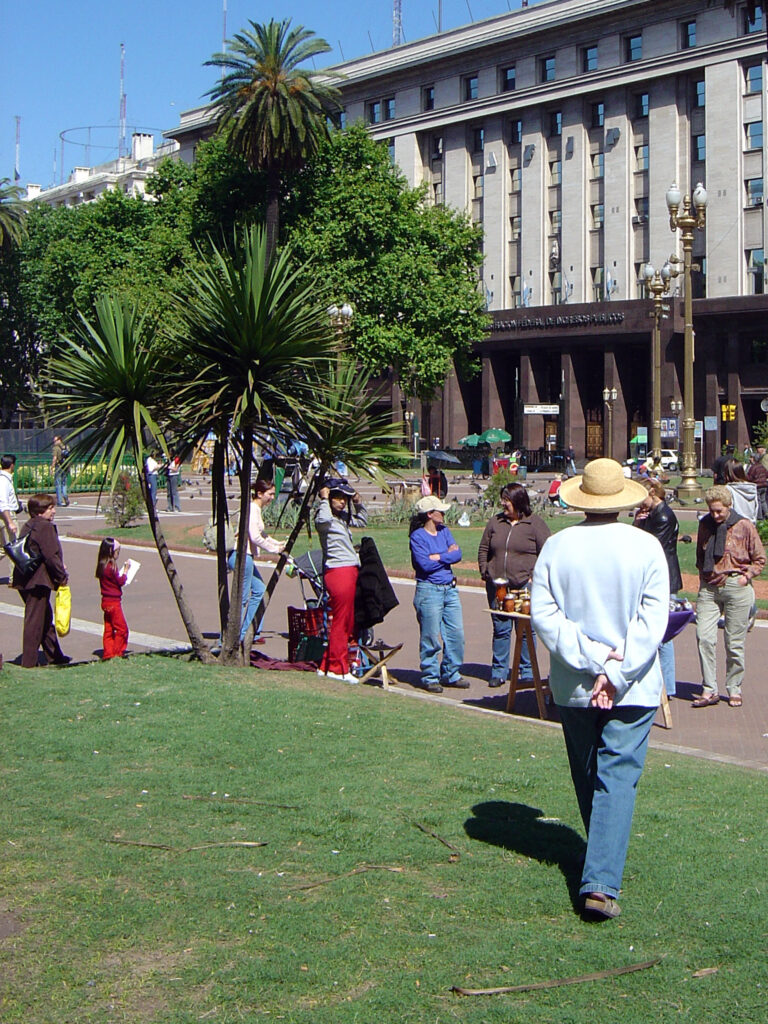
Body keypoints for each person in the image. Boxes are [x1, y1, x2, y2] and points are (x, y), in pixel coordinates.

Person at [531, 459, 669, 920]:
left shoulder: (558, 546)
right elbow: (652, 621)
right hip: (633, 684)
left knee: (591, 773)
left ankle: (600, 872)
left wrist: (594, 663)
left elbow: (546, 617)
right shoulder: (645, 546)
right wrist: (615, 669)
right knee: (614, 777)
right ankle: (602, 875)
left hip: (576, 682)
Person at [693, 485, 765, 709]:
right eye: (711, 510)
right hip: (710, 587)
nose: (715, 515)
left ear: (729, 506)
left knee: (734, 642)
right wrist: (704, 574)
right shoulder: (705, 524)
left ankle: (734, 687)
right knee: (704, 636)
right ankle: (709, 688)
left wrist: (747, 576)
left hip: (736, 585)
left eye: (719, 511)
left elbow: (759, 558)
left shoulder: (744, 525)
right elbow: (699, 555)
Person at [478, 483, 550, 689]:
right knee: (501, 628)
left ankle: (526, 672)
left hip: (524, 585)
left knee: (525, 630)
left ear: (518, 501)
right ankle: (498, 671)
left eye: (506, 500)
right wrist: (485, 570)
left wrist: (534, 576)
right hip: (498, 586)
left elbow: (548, 551)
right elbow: (484, 548)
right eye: (502, 499)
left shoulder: (534, 524)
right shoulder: (496, 522)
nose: (503, 503)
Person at [409, 494, 467, 693]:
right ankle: (430, 676)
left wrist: (439, 557)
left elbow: (457, 554)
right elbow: (424, 564)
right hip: (429, 590)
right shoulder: (418, 537)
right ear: (429, 514)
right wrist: (447, 555)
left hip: (449, 589)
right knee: (431, 636)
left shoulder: (444, 531)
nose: (443, 514)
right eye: (439, 511)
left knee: (456, 634)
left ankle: (451, 673)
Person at [633, 479, 683, 696]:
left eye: (641, 497)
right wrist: (637, 523)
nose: (638, 502)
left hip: (664, 578)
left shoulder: (663, 516)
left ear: (652, 492)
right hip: (654, 576)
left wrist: (639, 527)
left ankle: (668, 687)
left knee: (663, 635)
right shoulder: (652, 515)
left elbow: (649, 547)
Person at [315, 478, 368, 683]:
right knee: (340, 622)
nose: (342, 502)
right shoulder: (324, 516)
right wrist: (324, 498)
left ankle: (326, 664)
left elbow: (362, 521)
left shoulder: (342, 518)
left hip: (349, 568)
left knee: (346, 620)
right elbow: (322, 521)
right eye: (338, 498)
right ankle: (338, 668)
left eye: (344, 498)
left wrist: (358, 503)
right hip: (338, 569)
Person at [12, 493, 70, 668]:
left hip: (25, 578)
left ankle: (55, 655)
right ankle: (29, 662)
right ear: (39, 511)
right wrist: (62, 576)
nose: (54, 511)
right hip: (37, 581)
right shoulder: (44, 527)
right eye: (50, 508)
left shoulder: (30, 524)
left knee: (44, 617)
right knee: (35, 621)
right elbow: (51, 555)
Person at [229, 479, 285, 647]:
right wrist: (274, 549)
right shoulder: (252, 509)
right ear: (259, 494)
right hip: (241, 556)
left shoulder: (256, 509)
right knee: (242, 597)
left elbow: (262, 535)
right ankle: (233, 636)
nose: (272, 498)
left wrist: (278, 544)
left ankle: (250, 631)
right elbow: (255, 537)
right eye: (270, 494)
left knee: (259, 590)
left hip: (246, 557)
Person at [95, 537, 129, 659]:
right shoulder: (111, 567)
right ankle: (117, 652)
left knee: (109, 629)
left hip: (105, 601)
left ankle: (108, 653)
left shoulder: (102, 565)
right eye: (117, 552)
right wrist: (125, 572)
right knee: (122, 629)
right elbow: (120, 581)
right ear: (111, 551)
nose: (118, 554)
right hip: (114, 602)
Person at [722, 458, 758, 522]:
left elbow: (728, 510)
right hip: (751, 523)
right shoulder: (751, 488)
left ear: (727, 474)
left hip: (735, 524)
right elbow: (756, 509)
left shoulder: (728, 489)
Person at [0, 454, 20, 561]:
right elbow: (3, 503)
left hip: (4, 515)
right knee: (14, 548)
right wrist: (10, 522)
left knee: (3, 549)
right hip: (7, 515)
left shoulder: (4, 479)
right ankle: (15, 573)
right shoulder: (4, 481)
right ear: (12, 465)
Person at [746, 452, 767, 521]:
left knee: (758, 502)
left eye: (751, 457)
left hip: (757, 486)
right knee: (763, 501)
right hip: (764, 485)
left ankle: (760, 517)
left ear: (754, 459)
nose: (750, 459)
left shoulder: (753, 467)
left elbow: (749, 477)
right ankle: (766, 513)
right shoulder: (762, 466)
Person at [51, 435, 70, 507]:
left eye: (55, 440)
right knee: (64, 484)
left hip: (58, 467)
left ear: (59, 440)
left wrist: (52, 467)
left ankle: (59, 501)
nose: (54, 442)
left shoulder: (56, 448)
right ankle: (65, 495)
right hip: (66, 467)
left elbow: (55, 458)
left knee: (58, 484)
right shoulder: (66, 447)